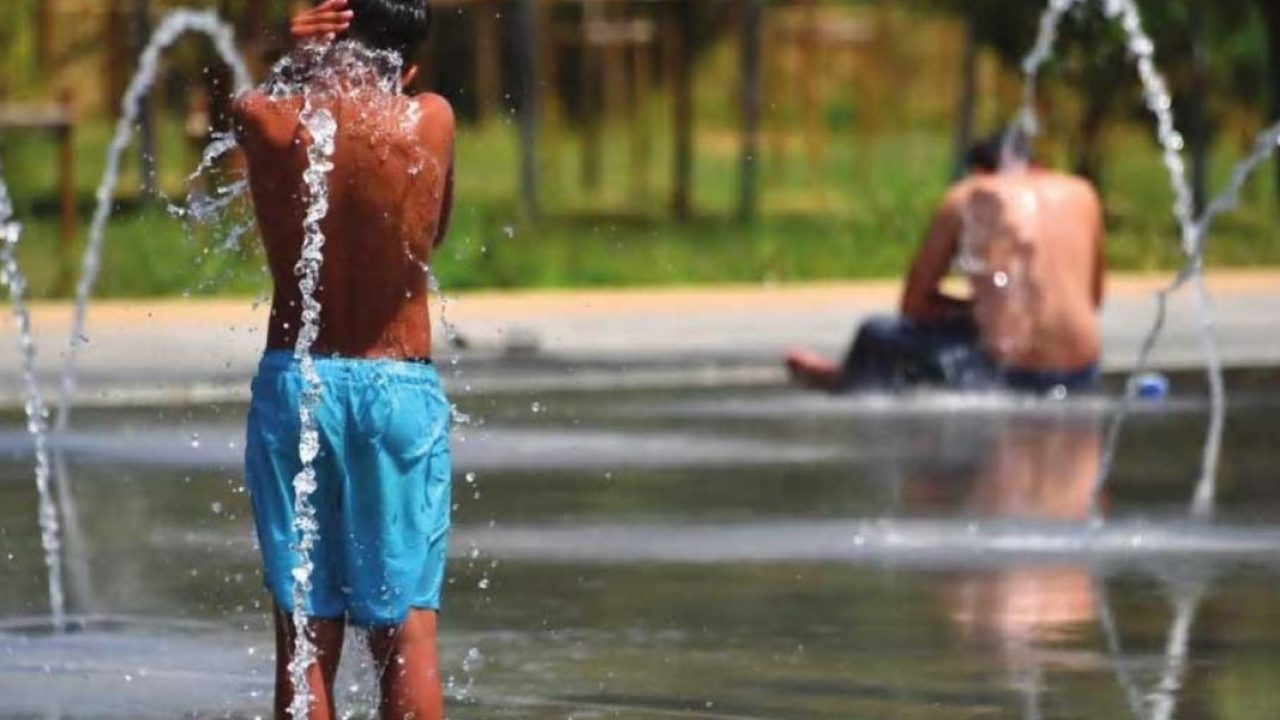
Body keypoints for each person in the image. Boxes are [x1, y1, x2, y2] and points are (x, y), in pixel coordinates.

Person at [233, 1, 455, 718]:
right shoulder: (432, 121)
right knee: (406, 636)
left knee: (305, 640)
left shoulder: (273, 122)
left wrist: (285, 55)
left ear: (327, 43)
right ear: (408, 64)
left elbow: (234, 99)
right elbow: (435, 233)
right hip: (397, 388)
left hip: (297, 385)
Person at [785, 135, 1105, 395]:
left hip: (1011, 376)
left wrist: (978, 310)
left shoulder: (968, 196)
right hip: (1080, 374)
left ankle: (852, 385)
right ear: (1037, 166)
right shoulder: (1082, 192)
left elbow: (915, 304)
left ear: (979, 171)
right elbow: (1093, 298)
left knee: (877, 334)